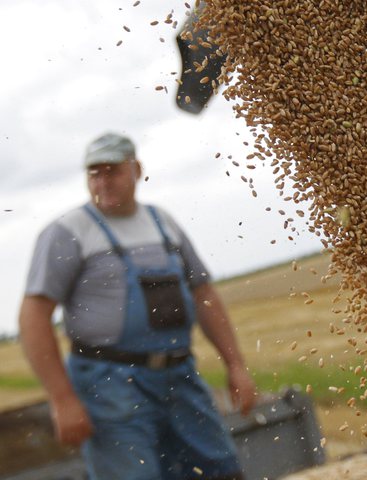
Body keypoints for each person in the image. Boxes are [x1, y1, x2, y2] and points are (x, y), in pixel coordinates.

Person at [18, 132, 256, 480]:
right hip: (109, 385)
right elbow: (33, 316)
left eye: (112, 171)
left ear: (137, 169)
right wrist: (62, 399)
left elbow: (204, 294)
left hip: (180, 376)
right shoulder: (68, 232)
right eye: (94, 173)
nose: (103, 182)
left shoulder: (164, 223)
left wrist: (235, 365)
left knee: (220, 471)